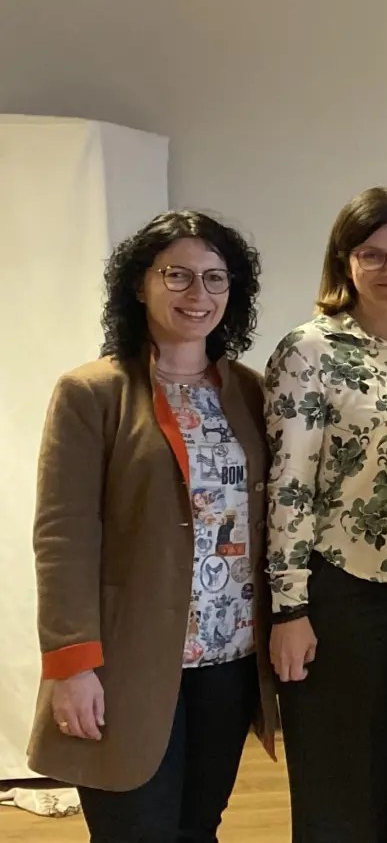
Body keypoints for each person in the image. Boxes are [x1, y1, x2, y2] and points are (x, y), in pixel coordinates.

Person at [30, 210, 275, 841]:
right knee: (135, 831)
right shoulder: (92, 393)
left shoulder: (249, 392)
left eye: (216, 279)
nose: (199, 295)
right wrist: (71, 665)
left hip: (228, 658)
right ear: (140, 284)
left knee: (199, 828)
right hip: (126, 661)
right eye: (178, 276)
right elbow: (63, 535)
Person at [264, 186, 387, 842]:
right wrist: (289, 609)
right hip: (342, 591)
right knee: (341, 788)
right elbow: (288, 483)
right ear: (344, 261)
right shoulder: (309, 351)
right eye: (373, 254)